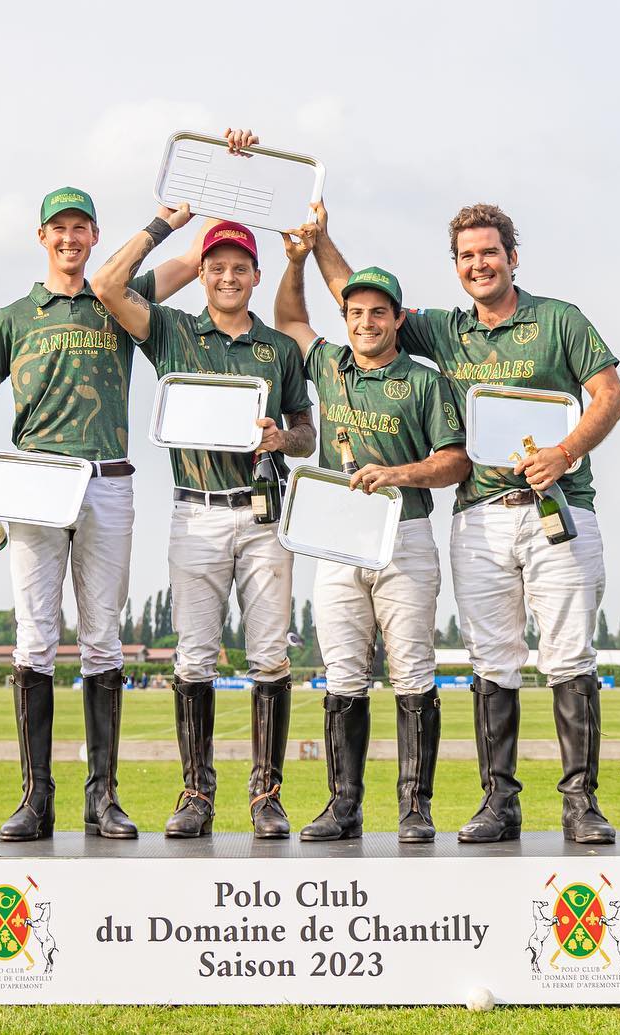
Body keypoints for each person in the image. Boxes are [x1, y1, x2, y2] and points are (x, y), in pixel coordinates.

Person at [313, 200, 620, 844]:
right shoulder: (445, 330)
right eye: (466, 256)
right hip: (480, 515)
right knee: (493, 660)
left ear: (513, 257)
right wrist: (320, 239)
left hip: (558, 510)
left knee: (568, 656)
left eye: (489, 252)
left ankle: (580, 804)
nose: (479, 264)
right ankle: (500, 804)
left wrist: (564, 452)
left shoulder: (558, 321)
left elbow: (611, 395)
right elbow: (359, 301)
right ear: (456, 267)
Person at [0, 184, 205, 841]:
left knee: (102, 639)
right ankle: (37, 799)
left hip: (107, 480)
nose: (68, 239)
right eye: (57, 228)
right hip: (35, 483)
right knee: (34, 637)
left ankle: (104, 797)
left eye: (80, 228)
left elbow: (198, 259)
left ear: (95, 236)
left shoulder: (118, 296)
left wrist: (207, 197)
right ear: (42, 238)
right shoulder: (15, 316)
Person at [93, 133, 315, 840]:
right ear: (204, 271)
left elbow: (307, 431)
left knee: (271, 655)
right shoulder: (174, 333)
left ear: (254, 275)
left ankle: (266, 795)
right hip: (195, 512)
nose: (226, 277)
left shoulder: (277, 349)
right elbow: (107, 286)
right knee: (193, 657)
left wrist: (285, 438)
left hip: (261, 514)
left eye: (238, 267)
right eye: (215, 266)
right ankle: (197, 792)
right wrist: (170, 224)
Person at [273, 222, 470, 843]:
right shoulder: (329, 365)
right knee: (342, 674)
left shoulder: (423, 380)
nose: (364, 323)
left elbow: (456, 459)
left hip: (405, 535)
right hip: (337, 539)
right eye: (355, 312)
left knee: (413, 672)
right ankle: (343, 806)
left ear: (395, 318)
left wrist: (398, 473)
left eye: (377, 313)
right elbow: (289, 320)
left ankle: (415, 807)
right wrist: (299, 260)